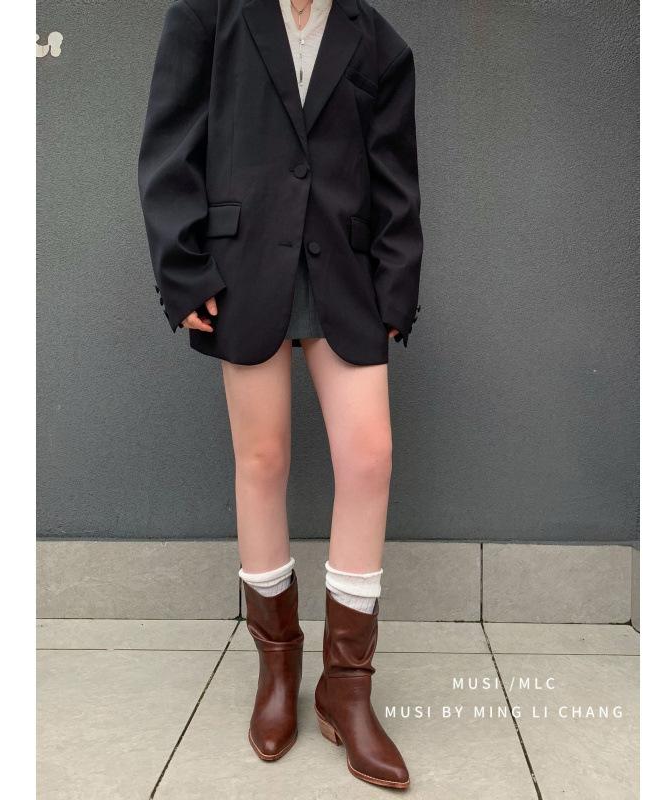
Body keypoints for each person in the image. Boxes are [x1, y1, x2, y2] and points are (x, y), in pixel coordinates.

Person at [138, 0, 422, 789]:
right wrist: (182, 268)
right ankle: (278, 670)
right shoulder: (208, 16)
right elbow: (170, 142)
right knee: (261, 460)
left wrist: (397, 284)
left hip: (346, 275)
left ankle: (347, 687)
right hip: (243, 270)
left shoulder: (376, 39)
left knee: (369, 457)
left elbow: (396, 173)